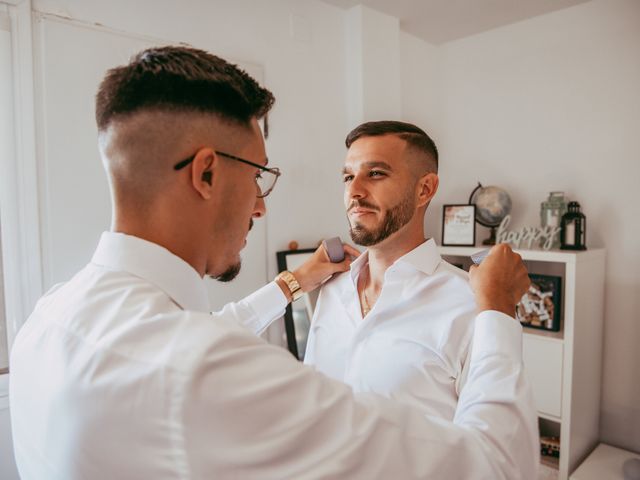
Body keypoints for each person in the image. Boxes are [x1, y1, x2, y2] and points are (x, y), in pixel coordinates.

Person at [10, 45, 535, 480]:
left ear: (426, 190)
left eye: (375, 174)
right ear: (207, 175)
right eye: (258, 176)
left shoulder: (48, 317)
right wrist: (499, 315)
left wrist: (291, 282)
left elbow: (207, 332)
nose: (261, 204)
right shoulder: (203, 367)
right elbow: (498, 467)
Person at [304, 122, 538, 434]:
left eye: (375, 173)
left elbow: (492, 449)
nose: (354, 192)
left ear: (424, 189)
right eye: (348, 177)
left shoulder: (474, 306)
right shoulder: (331, 289)